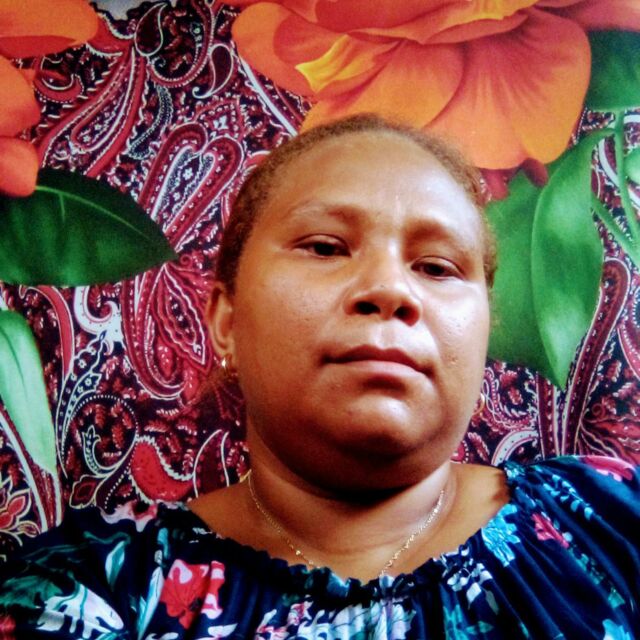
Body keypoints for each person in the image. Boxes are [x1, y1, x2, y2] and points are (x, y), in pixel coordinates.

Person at [0, 114, 638, 639]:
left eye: (438, 267)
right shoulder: (90, 589)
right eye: (326, 247)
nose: (390, 289)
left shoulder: (613, 523)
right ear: (225, 320)